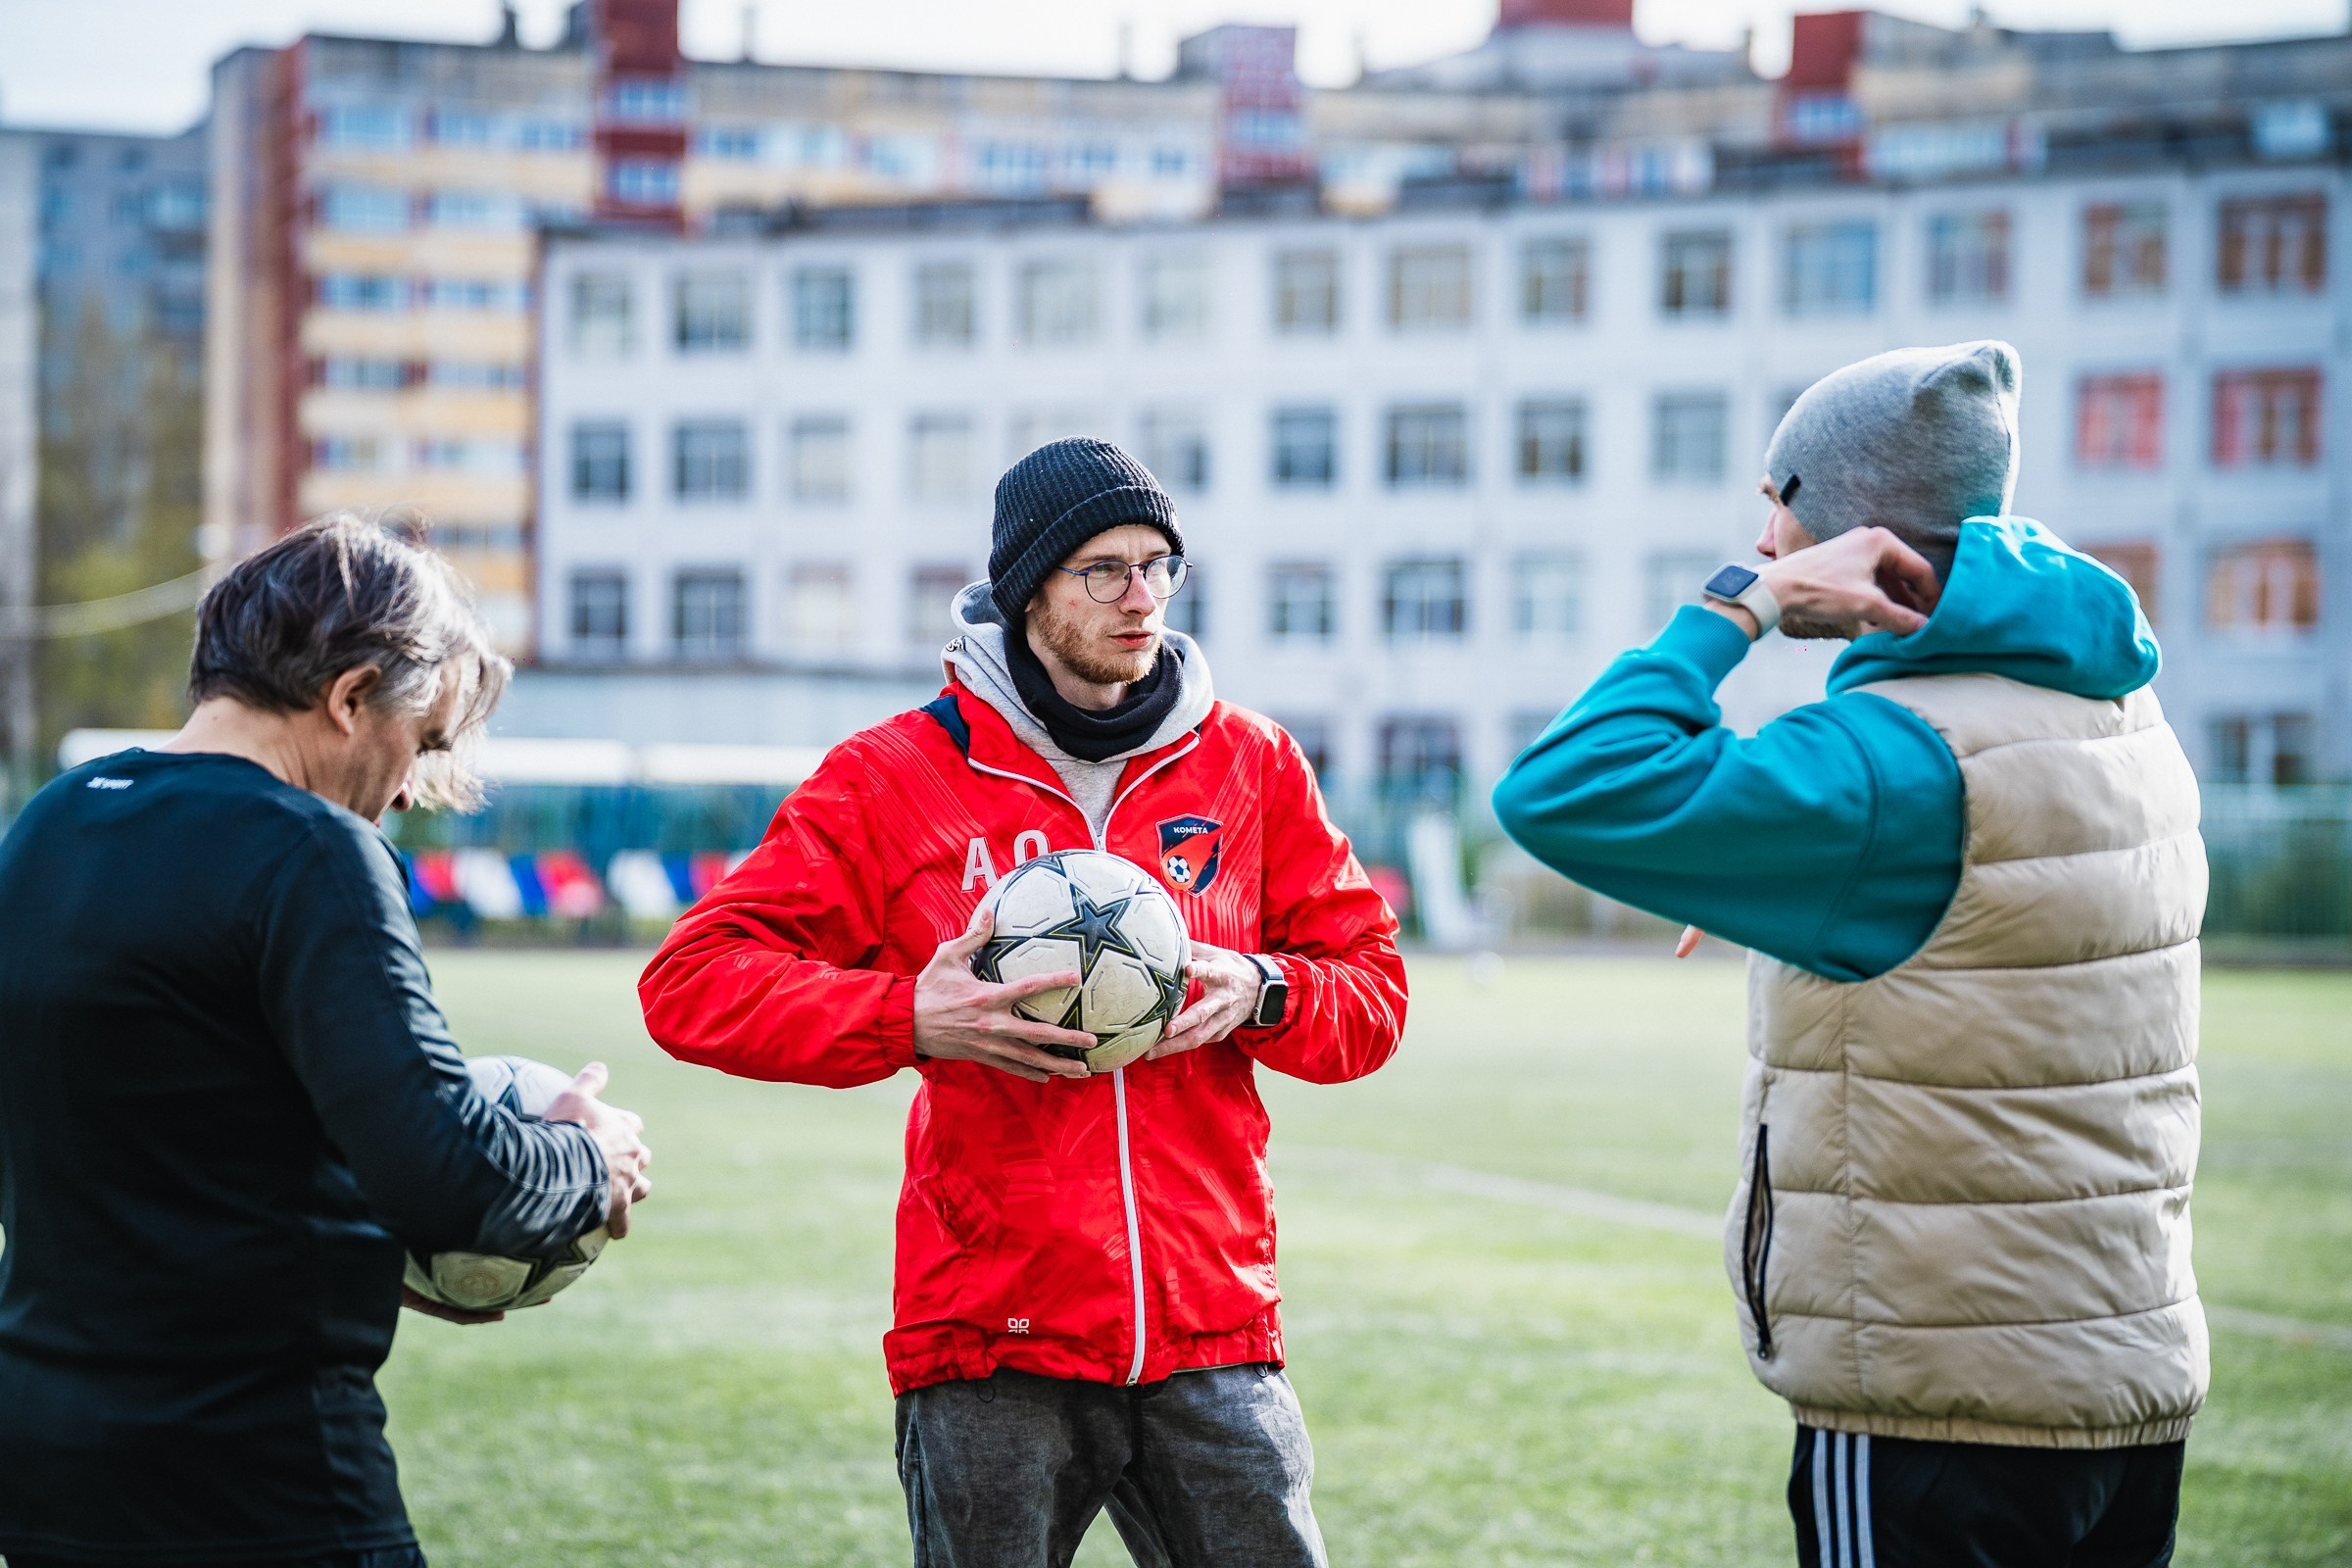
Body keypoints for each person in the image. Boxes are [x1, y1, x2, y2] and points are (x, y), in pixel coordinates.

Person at [1493, 342, 2204, 1568]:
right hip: (2119, 1385)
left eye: (1784, 499)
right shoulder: (2112, 710)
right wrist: (1795, 870)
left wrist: (1739, 608)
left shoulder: (1892, 765)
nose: (1767, 533)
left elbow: (1563, 787)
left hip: (1941, 1405)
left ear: (1855, 536)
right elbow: (1992, 934)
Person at [640, 437, 1407, 1568]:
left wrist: (1266, 986)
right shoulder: (892, 775)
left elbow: (1373, 992)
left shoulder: (1252, 765)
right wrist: (908, 1017)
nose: (1140, 598)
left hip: (1210, 1328)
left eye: (1160, 566)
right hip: (991, 1337)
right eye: (1104, 569)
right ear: (1026, 588)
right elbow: (691, 982)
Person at [0, 516, 653, 1568]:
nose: (405, 790)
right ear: (350, 698)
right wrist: (591, 1159)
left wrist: (345, 1249)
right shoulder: (312, 851)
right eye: (423, 741)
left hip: (45, 1468)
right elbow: (448, 1175)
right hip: (259, 1476)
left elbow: (117, 1151)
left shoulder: (51, 822)